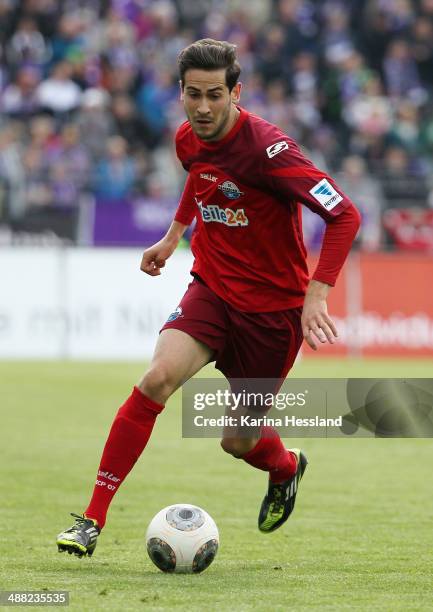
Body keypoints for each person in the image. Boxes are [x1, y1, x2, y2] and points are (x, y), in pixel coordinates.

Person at [56, 39, 361, 557]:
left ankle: (286, 467)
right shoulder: (186, 138)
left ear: (236, 92)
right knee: (156, 380)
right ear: (180, 92)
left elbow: (345, 214)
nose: (202, 107)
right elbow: (200, 180)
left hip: (273, 313)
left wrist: (317, 295)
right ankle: (91, 519)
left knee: (237, 441)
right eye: (193, 95)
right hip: (213, 289)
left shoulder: (271, 151)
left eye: (214, 95)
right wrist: (174, 234)